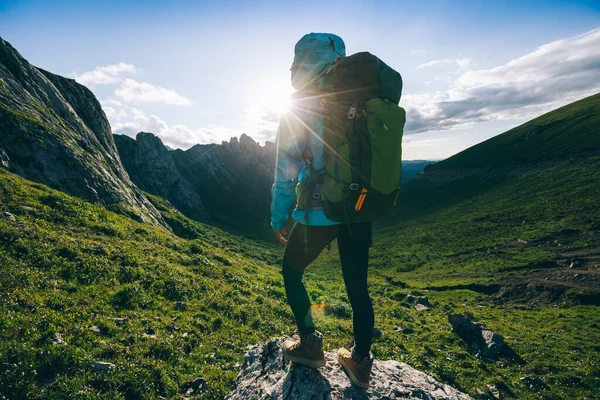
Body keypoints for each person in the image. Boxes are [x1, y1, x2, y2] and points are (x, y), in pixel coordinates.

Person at [270, 32, 374, 389]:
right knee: (357, 286)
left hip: (319, 209)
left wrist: (278, 216)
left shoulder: (299, 106)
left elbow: (285, 170)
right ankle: (360, 361)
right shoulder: (362, 97)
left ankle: (310, 344)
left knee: (291, 271)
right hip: (360, 207)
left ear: (302, 64)